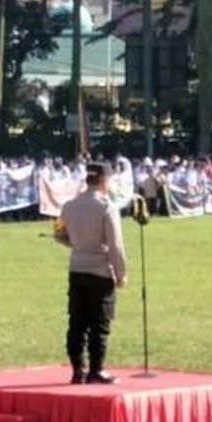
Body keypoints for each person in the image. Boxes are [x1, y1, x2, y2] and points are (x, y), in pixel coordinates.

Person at [54, 162, 128, 385]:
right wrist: (121, 272)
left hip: (77, 268)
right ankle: (96, 369)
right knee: (99, 324)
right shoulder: (106, 207)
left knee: (77, 322)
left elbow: (59, 235)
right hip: (100, 270)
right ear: (103, 181)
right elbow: (115, 245)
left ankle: (78, 370)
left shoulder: (69, 206)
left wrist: (77, 244)